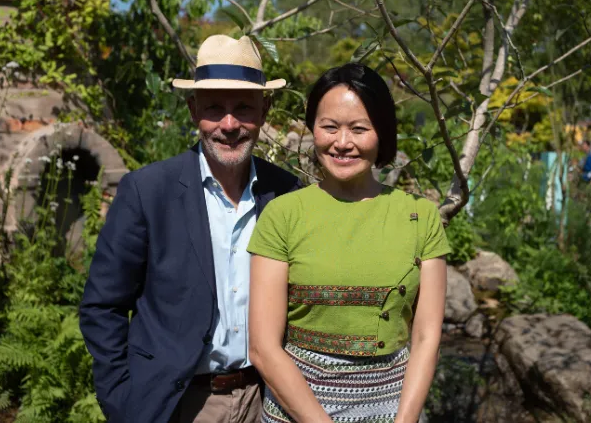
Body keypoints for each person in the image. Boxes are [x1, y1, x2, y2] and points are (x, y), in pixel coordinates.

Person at [79, 34, 301, 423]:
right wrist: (122, 402)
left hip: (269, 401)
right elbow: (103, 306)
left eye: (243, 108)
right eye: (214, 108)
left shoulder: (286, 193)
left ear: (264, 110)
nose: (229, 124)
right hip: (180, 405)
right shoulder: (148, 192)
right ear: (192, 109)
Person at [247, 63, 451, 423]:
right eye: (329, 127)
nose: (342, 143)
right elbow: (264, 348)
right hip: (297, 412)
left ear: (382, 134)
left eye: (359, 129)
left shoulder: (420, 216)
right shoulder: (283, 215)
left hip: (394, 410)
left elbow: (425, 338)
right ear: (313, 129)